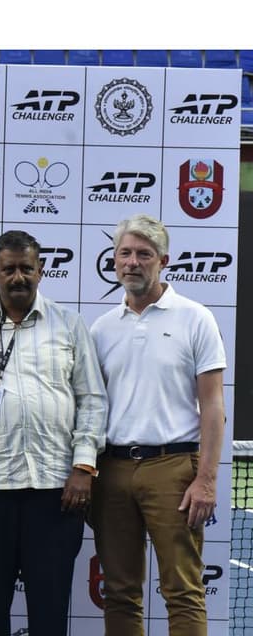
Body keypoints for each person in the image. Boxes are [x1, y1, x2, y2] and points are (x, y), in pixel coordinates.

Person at [0, 229, 105, 636]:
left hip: (56, 489)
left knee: (50, 608)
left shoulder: (69, 325)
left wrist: (83, 467)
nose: (18, 277)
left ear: (41, 271)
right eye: (8, 269)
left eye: (26, 268)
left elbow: (92, 400)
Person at [89, 215, 225, 636]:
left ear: (163, 261)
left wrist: (205, 480)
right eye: (125, 254)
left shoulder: (196, 318)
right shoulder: (101, 329)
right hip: (111, 470)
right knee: (120, 592)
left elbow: (214, 406)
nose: (133, 262)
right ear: (114, 261)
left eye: (143, 254)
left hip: (174, 468)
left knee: (182, 591)